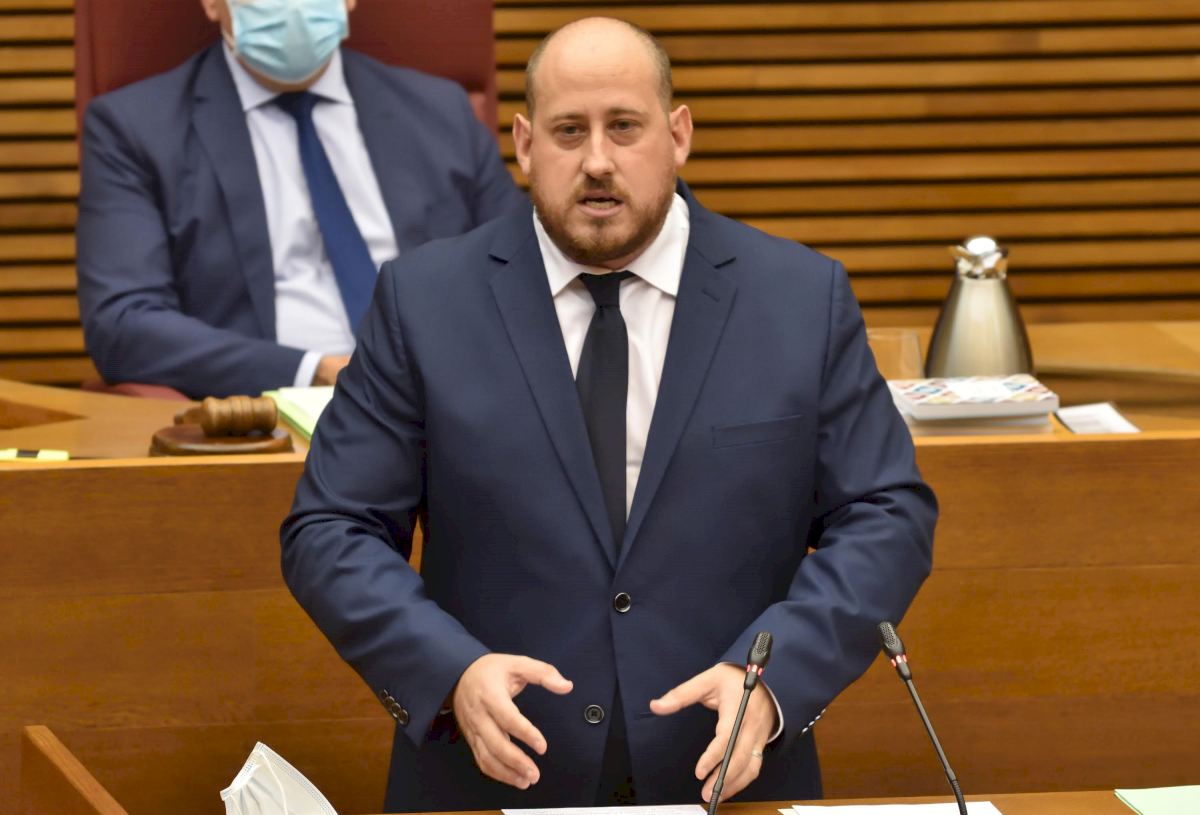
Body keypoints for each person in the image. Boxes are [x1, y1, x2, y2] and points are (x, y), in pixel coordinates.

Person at [281, 16, 937, 812]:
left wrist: (774, 679)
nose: (597, 160)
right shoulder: (423, 303)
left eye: (624, 126)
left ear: (678, 134)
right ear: (525, 145)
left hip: (727, 780)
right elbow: (332, 527)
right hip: (487, 781)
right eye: (568, 131)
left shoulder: (799, 300)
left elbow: (886, 513)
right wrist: (448, 670)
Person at [75, 0, 521, 399]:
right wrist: (314, 372)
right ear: (212, 4)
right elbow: (124, 324)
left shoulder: (441, 111)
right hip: (263, 416)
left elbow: (527, 271)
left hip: (449, 406)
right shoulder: (135, 129)